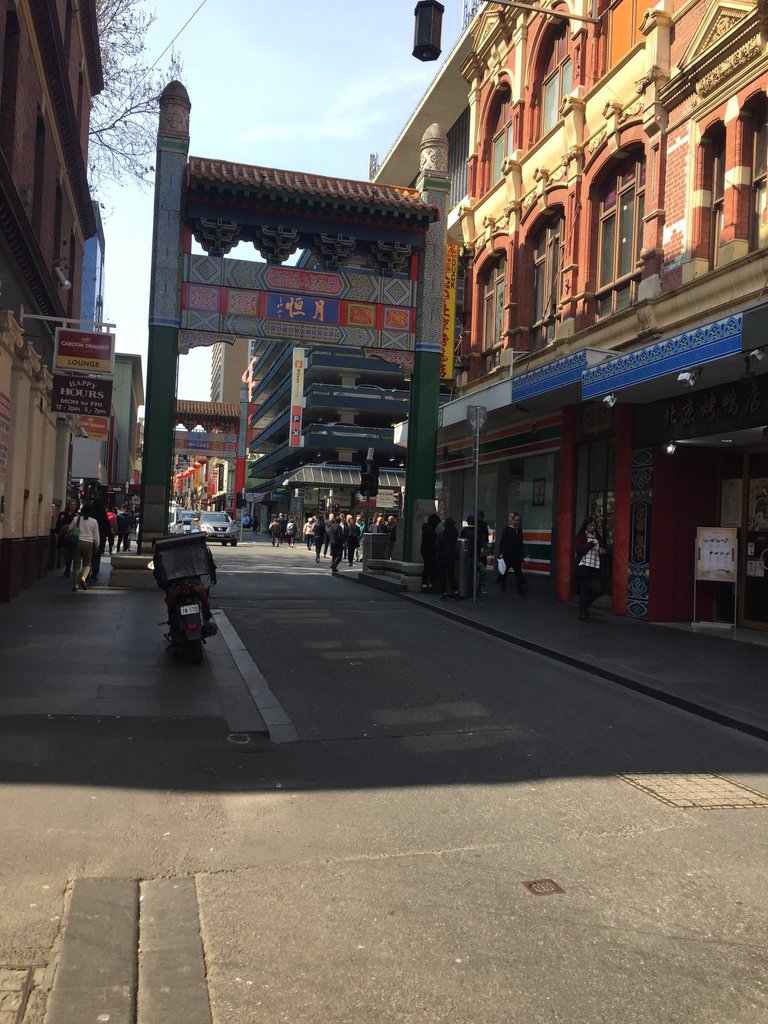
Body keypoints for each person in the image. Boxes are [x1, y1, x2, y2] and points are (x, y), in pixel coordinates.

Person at [574, 515, 606, 621]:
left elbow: (601, 550)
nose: (593, 527)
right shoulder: (582, 537)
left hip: (595, 567)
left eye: (594, 525)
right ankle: (582, 613)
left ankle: (584, 607)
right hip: (584, 566)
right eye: (590, 525)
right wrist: (590, 544)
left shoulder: (598, 537)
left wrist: (602, 552)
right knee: (584, 591)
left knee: (597, 590)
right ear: (585, 527)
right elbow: (579, 550)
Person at [69, 502, 100, 591]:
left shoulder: (76, 519)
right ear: (91, 512)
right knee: (88, 564)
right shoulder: (94, 521)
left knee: (76, 565)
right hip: (88, 544)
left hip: (77, 542)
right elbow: (96, 536)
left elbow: (70, 529)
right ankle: (83, 578)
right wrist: (97, 545)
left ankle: (75, 585)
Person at [497, 512, 528, 594]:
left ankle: (520, 589)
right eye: (515, 520)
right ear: (512, 520)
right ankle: (503, 586)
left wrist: (522, 554)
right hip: (507, 554)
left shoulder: (519, 530)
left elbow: (520, 543)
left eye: (518, 520)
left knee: (518, 571)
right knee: (505, 571)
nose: (517, 522)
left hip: (516, 554)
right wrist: (501, 553)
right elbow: (503, 542)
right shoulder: (507, 529)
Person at [460, 514, 486, 595]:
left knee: (468, 573)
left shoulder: (464, 531)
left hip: (466, 556)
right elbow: (481, 544)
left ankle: (469, 588)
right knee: (481, 571)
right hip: (476, 556)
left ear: (468, 522)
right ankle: (478, 588)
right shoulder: (479, 531)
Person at [435, 516, 460, 599]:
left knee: (443, 576)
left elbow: (437, 545)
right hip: (451, 557)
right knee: (451, 575)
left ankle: (444, 593)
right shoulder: (455, 533)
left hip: (442, 556)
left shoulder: (443, 534)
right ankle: (456, 591)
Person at [88, 498, 110, 584]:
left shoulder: (90, 515)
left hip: (89, 538)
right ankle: (94, 574)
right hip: (101, 538)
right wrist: (110, 540)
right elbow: (107, 528)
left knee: (89, 557)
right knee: (97, 556)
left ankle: (87, 572)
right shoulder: (103, 516)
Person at [55, 498, 79, 577]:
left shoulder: (76, 516)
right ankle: (67, 566)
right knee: (65, 553)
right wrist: (60, 520)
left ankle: (68, 568)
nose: (72, 506)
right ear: (68, 505)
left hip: (72, 537)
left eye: (74, 505)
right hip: (64, 536)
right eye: (71, 504)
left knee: (71, 553)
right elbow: (58, 525)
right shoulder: (62, 514)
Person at [420, 513, 440, 591]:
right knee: (433, 567)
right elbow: (435, 537)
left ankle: (424, 584)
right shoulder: (430, 529)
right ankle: (431, 584)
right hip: (430, 551)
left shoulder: (426, 527)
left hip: (425, 551)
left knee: (427, 568)